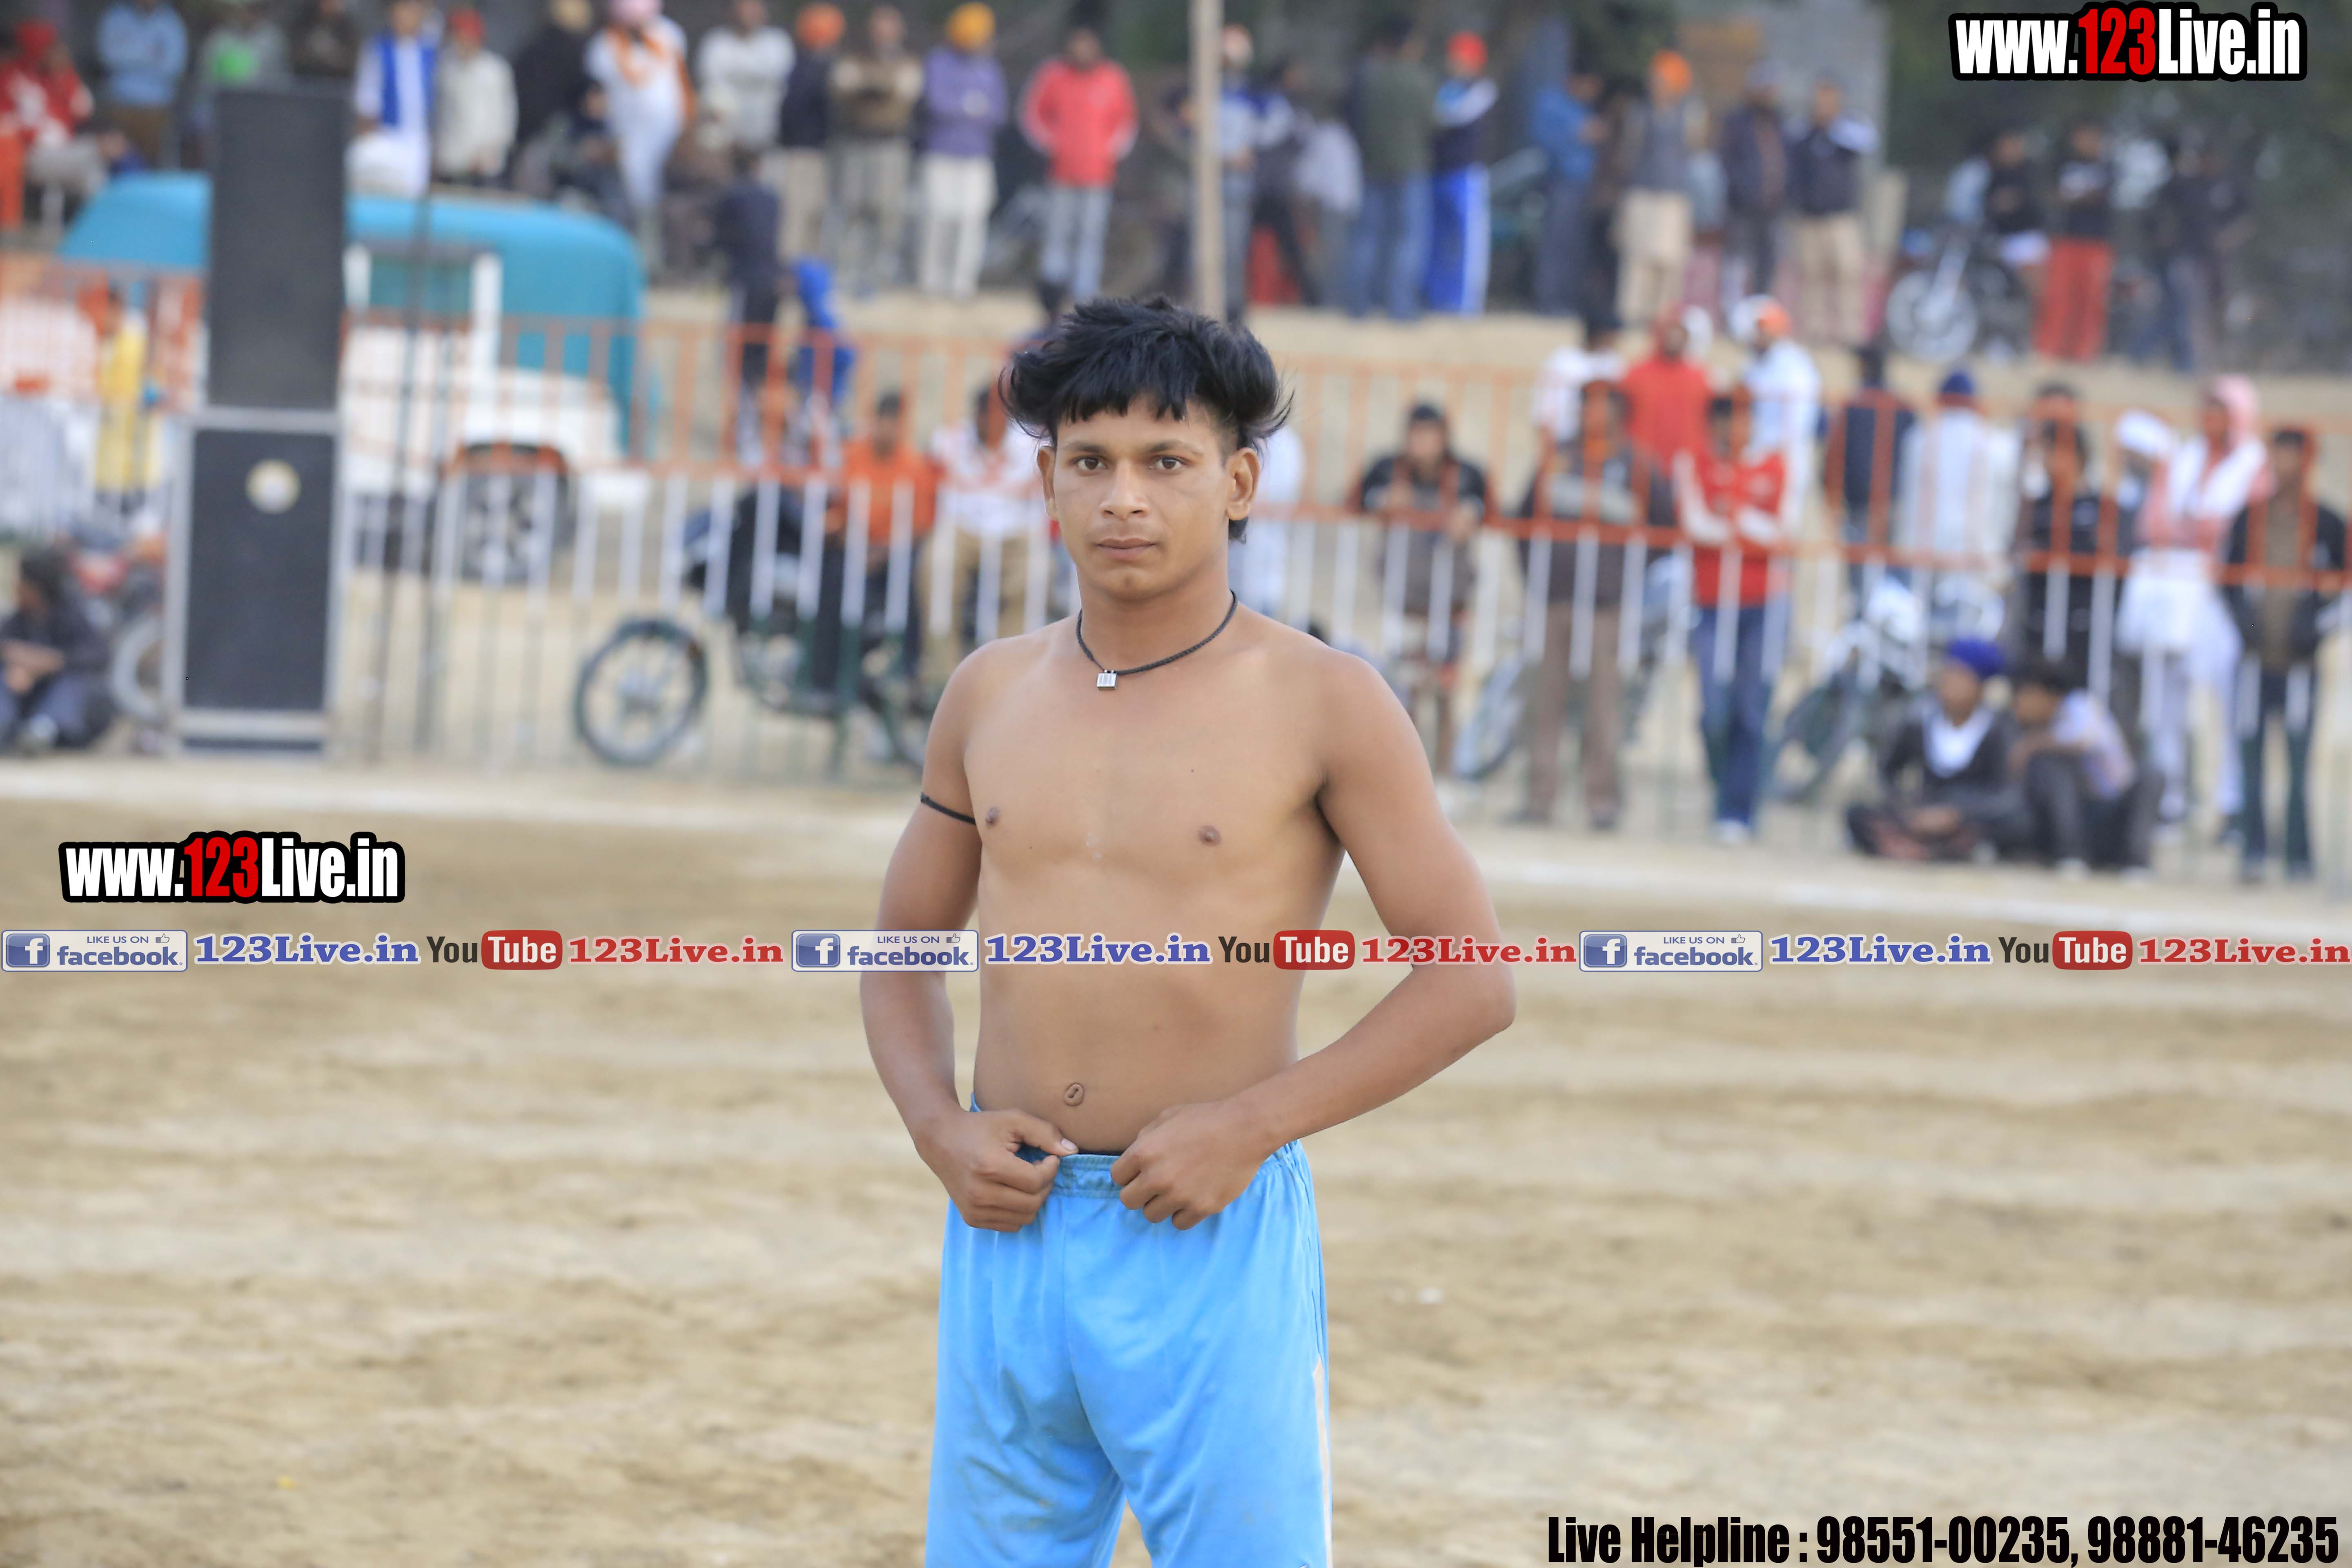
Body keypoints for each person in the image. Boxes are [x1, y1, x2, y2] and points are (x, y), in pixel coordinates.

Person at [864, 295, 1511, 1567]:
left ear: (1240, 482)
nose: (1124, 498)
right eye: (1090, 461)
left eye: (1167, 461)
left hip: (1208, 1229)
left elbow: (1473, 977)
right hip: (1012, 1231)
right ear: (1047, 481)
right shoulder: (988, 692)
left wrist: (1249, 1125)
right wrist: (940, 1129)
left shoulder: (1325, 700)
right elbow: (899, 948)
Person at [1515, 381, 1668, 831]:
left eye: (1601, 406)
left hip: (1605, 605)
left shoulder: (1637, 464)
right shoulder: (1558, 458)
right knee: (1545, 700)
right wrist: (1536, 575)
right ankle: (1539, 798)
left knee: (1604, 705)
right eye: (1586, 405)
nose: (1590, 414)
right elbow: (1524, 518)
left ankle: (1602, 802)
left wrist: (1626, 577)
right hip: (1555, 600)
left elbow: (1665, 529)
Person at [2136, 375, 2267, 830]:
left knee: (2229, 699)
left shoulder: (2254, 463)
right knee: (2166, 699)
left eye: (2222, 411)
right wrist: (2195, 529)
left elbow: (2238, 527)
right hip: (2174, 589)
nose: (2212, 420)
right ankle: (2169, 799)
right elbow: (2153, 522)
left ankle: (2232, 801)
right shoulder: (2183, 458)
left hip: (2222, 595)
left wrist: (2194, 529)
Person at [2220, 427, 2345, 882]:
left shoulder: (2329, 523)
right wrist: (2242, 620)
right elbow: (2226, 580)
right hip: (2254, 659)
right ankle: (2253, 850)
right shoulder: (2248, 518)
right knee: (2250, 758)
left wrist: (2316, 626)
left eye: (2292, 456)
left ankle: (2298, 855)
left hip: (2301, 664)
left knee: (2298, 761)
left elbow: (2342, 590)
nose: (2283, 466)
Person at [1676, 389, 1787, 844]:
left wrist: (1734, 520)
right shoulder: (1695, 463)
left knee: (1752, 709)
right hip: (1711, 601)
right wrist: (1744, 524)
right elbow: (1696, 525)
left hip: (1764, 601)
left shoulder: (1774, 463)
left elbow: (1783, 531)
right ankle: (1725, 786)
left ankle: (1738, 809)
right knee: (1714, 710)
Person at [1355, 402, 1488, 772]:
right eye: (1416, 434)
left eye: (1430, 435)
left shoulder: (1466, 474)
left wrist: (1471, 513)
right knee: (1401, 694)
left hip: (1450, 603)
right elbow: (1355, 498)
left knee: (1446, 692)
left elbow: (1492, 506)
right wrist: (1383, 503)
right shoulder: (1389, 469)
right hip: (1404, 603)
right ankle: (1404, 773)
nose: (1423, 443)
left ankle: (1444, 773)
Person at [922, 379, 1047, 684]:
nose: (990, 423)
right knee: (936, 566)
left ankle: (1009, 673)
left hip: (1015, 533)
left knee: (1038, 572)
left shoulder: (1030, 446)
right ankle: (943, 677)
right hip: (962, 531)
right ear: (975, 415)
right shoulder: (948, 442)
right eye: (984, 414)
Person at [1844, 637, 2012, 861]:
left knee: (2008, 825)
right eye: (1948, 675)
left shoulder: (1998, 730)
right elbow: (1887, 772)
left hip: (1967, 817)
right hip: (1923, 810)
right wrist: (1907, 809)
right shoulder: (1919, 720)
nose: (1950, 684)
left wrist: (1957, 815)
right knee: (1858, 814)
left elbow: (2005, 793)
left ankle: (1930, 848)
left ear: (1981, 687)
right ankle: (1916, 848)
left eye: (1961, 678)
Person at [1990, 655, 2146, 875]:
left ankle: (2134, 860)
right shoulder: (2039, 727)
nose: (2019, 706)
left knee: (2150, 776)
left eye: (2023, 696)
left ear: (2042, 694)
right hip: (2084, 815)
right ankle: (2069, 853)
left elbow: (2084, 739)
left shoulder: (2080, 705)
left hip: (2114, 807)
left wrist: (2031, 745)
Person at [1018, 22, 1136, 307]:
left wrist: (1106, 152)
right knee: (1057, 233)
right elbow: (1032, 116)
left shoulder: (1113, 78)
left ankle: (1084, 294)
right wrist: (1053, 146)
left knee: (1091, 234)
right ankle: (1052, 292)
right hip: (1061, 172)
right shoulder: (1053, 75)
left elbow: (1126, 123)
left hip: (1098, 174)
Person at [1343, 16, 1437, 322]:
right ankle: (1401, 307)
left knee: (1367, 237)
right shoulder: (1421, 80)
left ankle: (1358, 305)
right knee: (1408, 239)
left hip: (1372, 166)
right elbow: (1433, 124)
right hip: (1410, 167)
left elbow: (1354, 119)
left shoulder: (1369, 78)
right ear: (1409, 45)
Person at [585, 0, 693, 261]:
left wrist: (688, 126)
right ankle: (637, 259)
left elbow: (682, 81)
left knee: (665, 201)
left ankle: (661, 261)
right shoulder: (605, 44)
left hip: (671, 135)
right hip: (627, 137)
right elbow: (597, 98)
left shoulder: (668, 34)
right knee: (633, 200)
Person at [826, 3, 921, 296]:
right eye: (878, 26)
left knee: (886, 213)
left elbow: (905, 92)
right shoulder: (854, 58)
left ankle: (876, 279)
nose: (883, 33)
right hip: (856, 143)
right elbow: (843, 86)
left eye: (889, 26)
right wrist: (881, 87)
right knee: (851, 209)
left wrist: (870, 87)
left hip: (890, 145)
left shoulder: (908, 62)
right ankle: (845, 274)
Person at [1898, 366, 2018, 590]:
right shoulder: (1996, 442)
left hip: (1924, 550)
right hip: (1976, 553)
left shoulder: (1918, 438)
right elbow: (2006, 501)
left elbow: (1907, 495)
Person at [916, 4, 1006, 301]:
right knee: (938, 219)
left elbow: (998, 112)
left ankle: (962, 285)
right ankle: (931, 282)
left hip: (977, 156)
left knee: (971, 222)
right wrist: (970, 107)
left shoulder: (990, 69)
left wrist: (965, 109)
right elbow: (936, 104)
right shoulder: (939, 62)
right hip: (941, 154)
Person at [1614, 49, 1704, 333]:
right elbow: (1630, 151)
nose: (1657, 86)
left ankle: (1664, 316)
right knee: (1637, 259)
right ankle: (1633, 314)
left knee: (1670, 262)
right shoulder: (1640, 113)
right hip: (1642, 193)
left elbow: (1695, 148)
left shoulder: (1689, 114)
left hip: (1674, 197)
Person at [1785, 75, 1874, 350]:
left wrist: (1832, 126)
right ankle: (1815, 332)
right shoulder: (1803, 130)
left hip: (1841, 218)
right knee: (1812, 276)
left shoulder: (1849, 128)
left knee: (1847, 274)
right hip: (1809, 217)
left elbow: (1867, 142)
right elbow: (1789, 144)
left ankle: (1850, 333)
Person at [0, 546, 113, 755]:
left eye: (22, 582)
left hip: (67, 714)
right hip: (24, 701)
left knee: (74, 679)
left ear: (37, 587)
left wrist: (51, 662)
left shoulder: (73, 617)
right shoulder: (17, 621)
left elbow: (99, 656)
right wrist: (18, 662)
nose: (16, 587)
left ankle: (43, 730)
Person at [1421, 31, 1496, 317]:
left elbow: (1453, 116)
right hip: (1438, 171)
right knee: (1436, 239)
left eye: (1461, 58)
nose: (1454, 62)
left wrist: (1432, 114)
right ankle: (1437, 299)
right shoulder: (1444, 88)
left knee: (1468, 242)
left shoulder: (1483, 90)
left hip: (1466, 174)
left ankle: (1466, 304)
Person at [1829, 343, 1914, 586]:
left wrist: (1833, 500)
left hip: (1862, 506)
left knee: (1860, 581)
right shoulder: (1904, 407)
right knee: (1895, 580)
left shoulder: (1854, 407)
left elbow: (1835, 457)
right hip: (1893, 505)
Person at [1, 22, 109, 207]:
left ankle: (99, 220)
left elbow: (84, 109)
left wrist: (66, 74)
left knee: (93, 173)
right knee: (94, 156)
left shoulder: (55, 77)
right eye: (49, 47)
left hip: (63, 152)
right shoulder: (13, 77)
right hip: (33, 155)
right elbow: (14, 124)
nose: (56, 52)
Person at [1737, 296, 1820, 534]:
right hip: (1756, 457)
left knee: (1781, 527)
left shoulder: (1794, 366)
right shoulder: (1755, 364)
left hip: (1784, 457)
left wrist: (1775, 455)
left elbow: (1797, 420)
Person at [2036, 120, 2114, 363]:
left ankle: (2084, 352)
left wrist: (2074, 197)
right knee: (2058, 297)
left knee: (2090, 300)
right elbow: (2052, 197)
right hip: (2065, 240)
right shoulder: (2061, 165)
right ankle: (2050, 349)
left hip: (2096, 242)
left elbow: (2101, 198)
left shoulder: (2109, 167)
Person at [1527, 65, 1601, 319]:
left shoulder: (1583, 108)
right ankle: (1548, 301)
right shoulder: (1552, 104)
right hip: (1561, 185)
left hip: (1583, 188)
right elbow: (1542, 138)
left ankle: (1566, 300)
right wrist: (1577, 134)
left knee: (1574, 247)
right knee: (1556, 245)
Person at [1716, 63, 1786, 315]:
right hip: (1742, 205)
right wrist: (1743, 188)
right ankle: (1732, 313)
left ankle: (1761, 313)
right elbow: (1728, 160)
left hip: (1772, 206)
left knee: (1766, 262)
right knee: (1736, 260)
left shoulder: (1779, 121)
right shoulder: (1737, 122)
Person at [350, 0, 438, 198]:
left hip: (418, 139)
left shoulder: (429, 50)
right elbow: (367, 99)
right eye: (402, 10)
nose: (406, 16)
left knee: (413, 195)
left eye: (413, 10)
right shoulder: (379, 48)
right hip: (387, 136)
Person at [773, 3, 839, 263]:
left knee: (815, 216)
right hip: (803, 151)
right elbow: (793, 112)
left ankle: (807, 268)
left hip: (820, 151)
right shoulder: (807, 67)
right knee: (797, 215)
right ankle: (791, 270)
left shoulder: (814, 65)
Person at [508, 0, 594, 180]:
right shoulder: (572, 51)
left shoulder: (531, 47)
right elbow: (581, 91)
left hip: (525, 131)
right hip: (552, 132)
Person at [191, 0, 289, 157]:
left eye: (254, 9)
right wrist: (203, 121)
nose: (249, 15)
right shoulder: (218, 41)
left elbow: (280, 84)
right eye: (245, 9)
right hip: (223, 119)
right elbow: (206, 85)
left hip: (259, 118)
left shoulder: (272, 40)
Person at [97, 0, 187, 167]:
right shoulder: (116, 17)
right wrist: (151, 55)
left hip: (157, 104)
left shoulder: (171, 21)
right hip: (120, 102)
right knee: (116, 158)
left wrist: (130, 52)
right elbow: (109, 57)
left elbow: (173, 66)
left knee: (152, 162)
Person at [1619, 313, 1712, 468]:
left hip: (1687, 463)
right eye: (1667, 330)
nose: (1673, 337)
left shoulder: (1700, 378)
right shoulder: (1636, 374)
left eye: (1677, 330)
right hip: (1642, 464)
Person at [434, 9, 515, 185]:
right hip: (452, 164)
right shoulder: (445, 69)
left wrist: (488, 152)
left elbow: (505, 118)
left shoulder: (494, 71)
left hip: (485, 165)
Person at [543, 78, 629, 221]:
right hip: (569, 196)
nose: (601, 103)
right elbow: (552, 159)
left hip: (604, 202)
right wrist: (583, 153)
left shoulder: (606, 129)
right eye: (595, 97)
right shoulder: (565, 125)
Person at [1532, 325, 1624, 451]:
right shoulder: (1562, 360)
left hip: (1600, 445)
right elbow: (1544, 413)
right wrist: (1548, 450)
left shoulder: (1614, 361)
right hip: (1565, 440)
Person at [290, 0, 361, 82]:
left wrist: (331, 54)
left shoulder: (348, 29)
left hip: (339, 82)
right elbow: (296, 55)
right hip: (306, 80)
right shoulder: (304, 24)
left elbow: (353, 61)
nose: (331, 5)